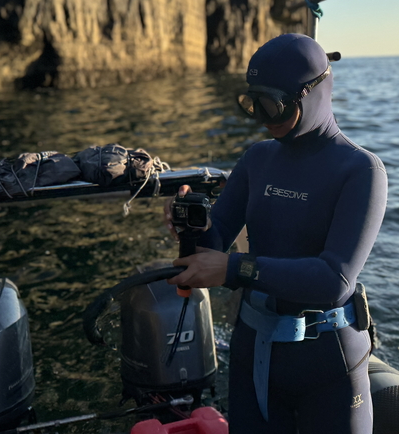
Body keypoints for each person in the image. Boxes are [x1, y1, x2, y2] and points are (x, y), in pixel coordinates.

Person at [164, 33, 387, 434]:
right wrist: (192, 228)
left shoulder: (361, 170)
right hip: (253, 351)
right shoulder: (257, 158)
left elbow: (334, 280)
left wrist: (235, 269)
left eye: (273, 104)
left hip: (327, 364)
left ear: (312, 93)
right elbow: (212, 245)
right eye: (252, 104)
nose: (263, 118)